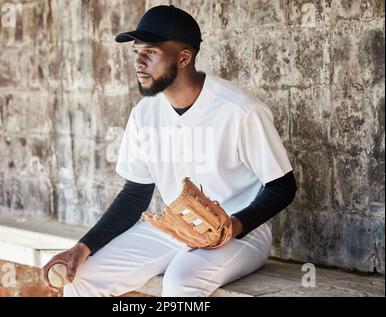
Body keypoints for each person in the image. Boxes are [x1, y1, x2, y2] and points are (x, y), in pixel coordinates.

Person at [43, 5, 297, 297]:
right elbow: (134, 195)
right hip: (176, 227)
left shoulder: (240, 110)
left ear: (184, 57)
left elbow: (282, 186)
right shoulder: (143, 114)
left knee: (180, 282)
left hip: (241, 235)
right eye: (136, 52)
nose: (139, 62)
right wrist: (82, 247)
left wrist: (234, 226)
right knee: (82, 277)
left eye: (150, 52)